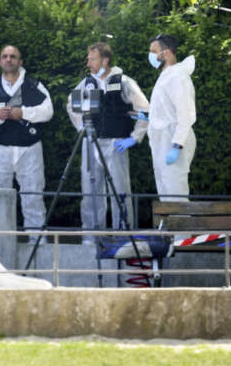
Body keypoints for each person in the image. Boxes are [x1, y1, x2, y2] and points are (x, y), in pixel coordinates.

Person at [66, 42, 149, 243]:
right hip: (91, 142)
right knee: (91, 191)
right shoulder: (87, 83)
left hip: (117, 142)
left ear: (105, 60)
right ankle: (92, 237)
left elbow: (145, 111)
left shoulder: (124, 82)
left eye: (92, 58)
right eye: (88, 58)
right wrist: (82, 129)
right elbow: (71, 106)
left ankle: (122, 236)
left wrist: (135, 137)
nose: (88, 62)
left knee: (120, 190)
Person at [0, 45, 54, 239]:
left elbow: (48, 112)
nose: (8, 59)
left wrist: (24, 113)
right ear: (0, 61)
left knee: (33, 198)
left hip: (29, 150)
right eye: (4, 56)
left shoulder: (33, 85)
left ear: (20, 62)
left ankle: (38, 245)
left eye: (13, 56)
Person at [145, 34, 196, 201]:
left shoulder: (177, 77)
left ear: (166, 53)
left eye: (154, 51)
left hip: (173, 140)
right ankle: (169, 224)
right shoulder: (167, 75)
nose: (151, 55)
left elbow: (185, 114)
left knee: (175, 191)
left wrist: (177, 145)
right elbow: (167, 109)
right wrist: (150, 117)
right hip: (164, 140)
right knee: (166, 189)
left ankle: (181, 225)